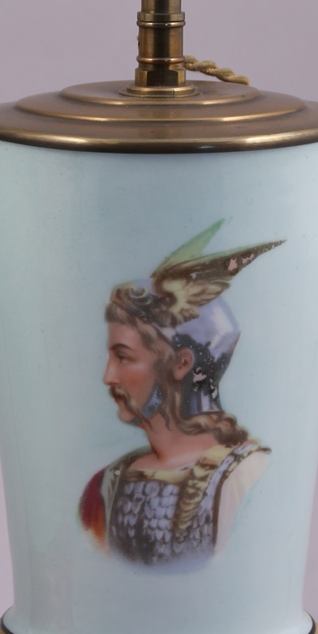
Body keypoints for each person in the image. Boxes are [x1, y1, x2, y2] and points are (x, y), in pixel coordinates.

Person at [78, 222, 280, 567]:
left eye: (123, 358)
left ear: (181, 363)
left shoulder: (246, 476)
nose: (108, 377)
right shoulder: (106, 487)